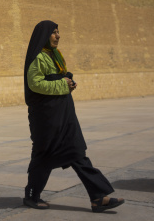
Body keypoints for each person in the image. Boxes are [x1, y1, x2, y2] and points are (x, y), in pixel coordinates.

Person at [23, 20, 124, 213]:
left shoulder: (55, 55)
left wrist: (68, 81)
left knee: (77, 151)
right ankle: (31, 195)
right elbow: (34, 84)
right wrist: (62, 85)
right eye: (54, 32)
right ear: (44, 35)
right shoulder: (39, 58)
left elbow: (56, 79)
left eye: (58, 32)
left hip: (64, 115)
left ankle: (98, 197)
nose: (58, 35)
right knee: (43, 155)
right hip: (48, 120)